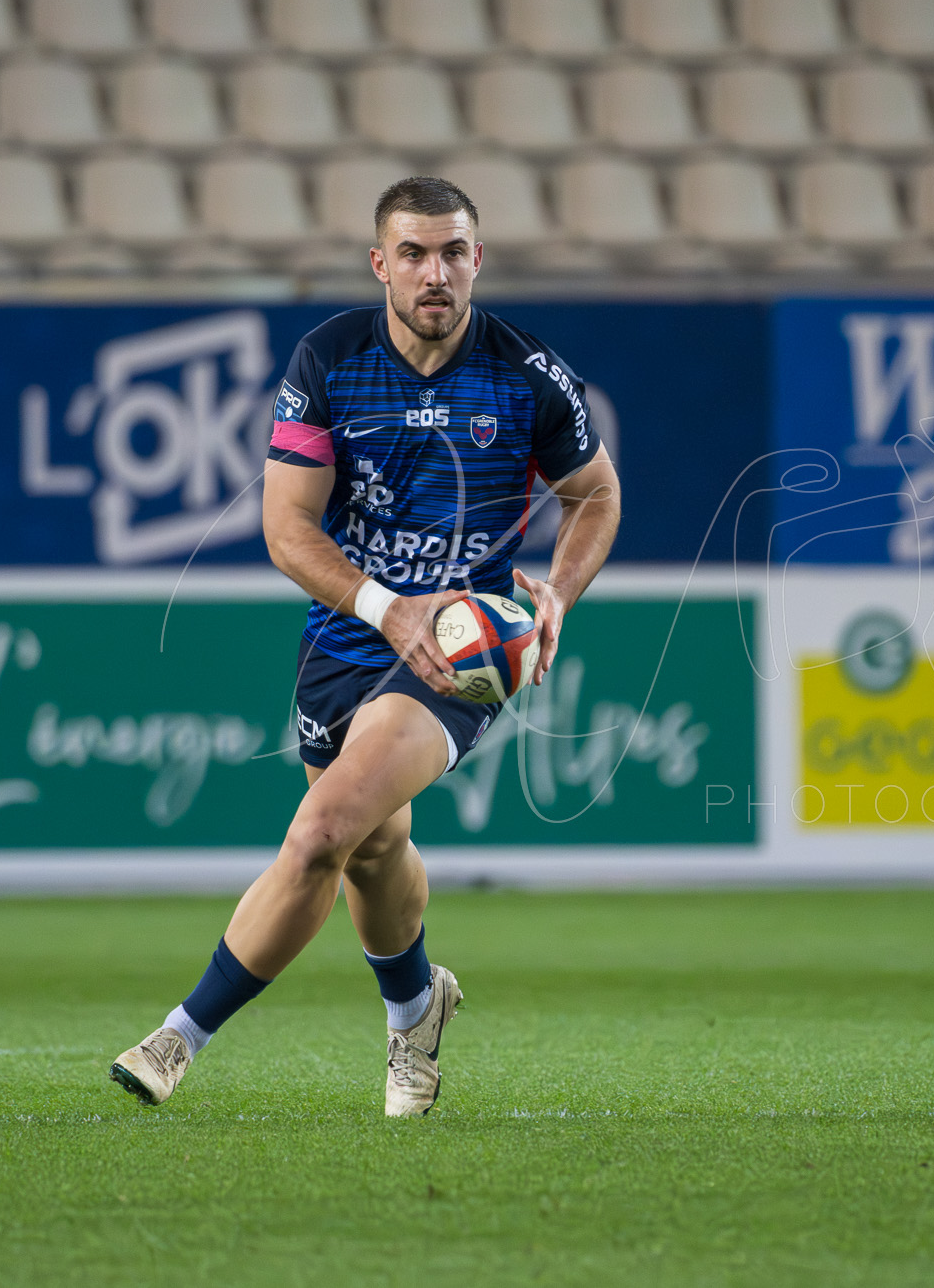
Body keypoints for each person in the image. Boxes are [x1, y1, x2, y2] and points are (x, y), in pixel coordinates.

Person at [109, 177, 622, 1117]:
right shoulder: (329, 359)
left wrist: (558, 589)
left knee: (322, 830)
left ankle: (178, 1036)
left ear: (478, 259)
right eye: (415, 254)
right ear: (381, 264)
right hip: (346, 638)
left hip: (462, 651)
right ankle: (417, 1010)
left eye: (454, 252)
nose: (436, 273)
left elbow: (595, 493)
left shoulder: (527, 373)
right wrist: (387, 609)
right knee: (373, 851)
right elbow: (286, 528)